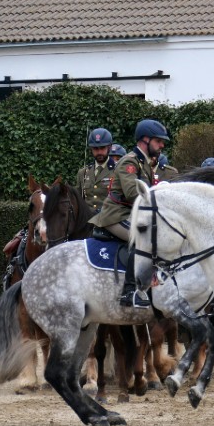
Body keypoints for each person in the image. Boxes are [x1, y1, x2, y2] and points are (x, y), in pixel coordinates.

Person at [89, 119, 170, 308]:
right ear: (145, 140)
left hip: (132, 215)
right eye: (158, 141)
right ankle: (131, 291)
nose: (162, 145)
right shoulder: (130, 162)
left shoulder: (145, 163)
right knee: (145, 239)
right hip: (116, 215)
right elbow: (134, 194)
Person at [76, 127, 116, 215]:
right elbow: (78, 200)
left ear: (109, 147)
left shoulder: (118, 171)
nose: (99, 152)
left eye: (102, 148)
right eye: (95, 149)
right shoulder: (83, 173)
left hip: (109, 220)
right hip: (87, 222)